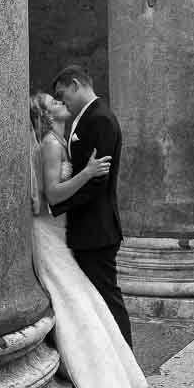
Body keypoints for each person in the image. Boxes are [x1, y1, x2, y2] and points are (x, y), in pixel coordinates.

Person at [29, 91, 146, 388]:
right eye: (53, 101)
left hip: (62, 230)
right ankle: (97, 379)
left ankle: (114, 373)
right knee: (75, 300)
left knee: (85, 299)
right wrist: (89, 172)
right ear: (46, 115)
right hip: (50, 232)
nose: (60, 102)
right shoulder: (51, 144)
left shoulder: (60, 140)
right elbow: (53, 194)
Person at [49, 65, 133, 347]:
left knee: (108, 298)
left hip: (97, 228)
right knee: (98, 299)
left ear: (75, 84)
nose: (64, 103)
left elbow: (97, 183)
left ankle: (126, 359)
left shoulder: (100, 119)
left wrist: (56, 205)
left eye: (64, 96)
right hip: (89, 227)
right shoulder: (89, 118)